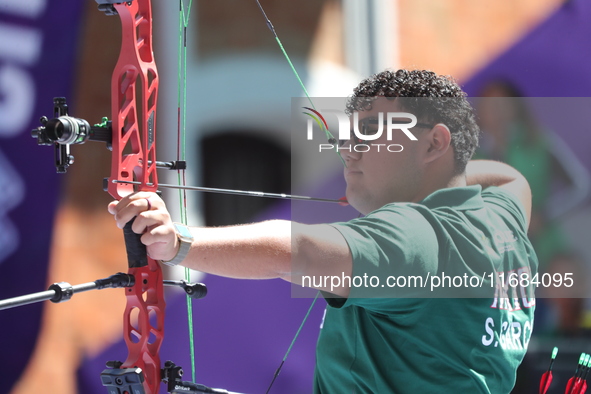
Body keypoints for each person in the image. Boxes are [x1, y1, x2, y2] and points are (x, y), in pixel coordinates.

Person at [109, 69, 538, 393]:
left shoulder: (414, 236)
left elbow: (297, 251)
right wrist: (436, 178)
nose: (349, 150)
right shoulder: (502, 220)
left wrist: (178, 242)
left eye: (372, 132)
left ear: (433, 143)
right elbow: (511, 178)